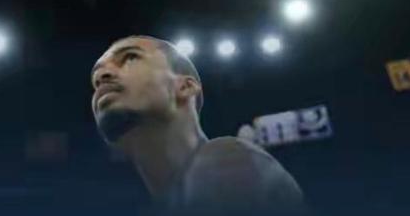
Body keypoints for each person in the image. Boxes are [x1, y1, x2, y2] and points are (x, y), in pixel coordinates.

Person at [91, 35, 306, 216]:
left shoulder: (224, 157)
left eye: (130, 58)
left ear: (185, 87)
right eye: (95, 78)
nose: (101, 77)